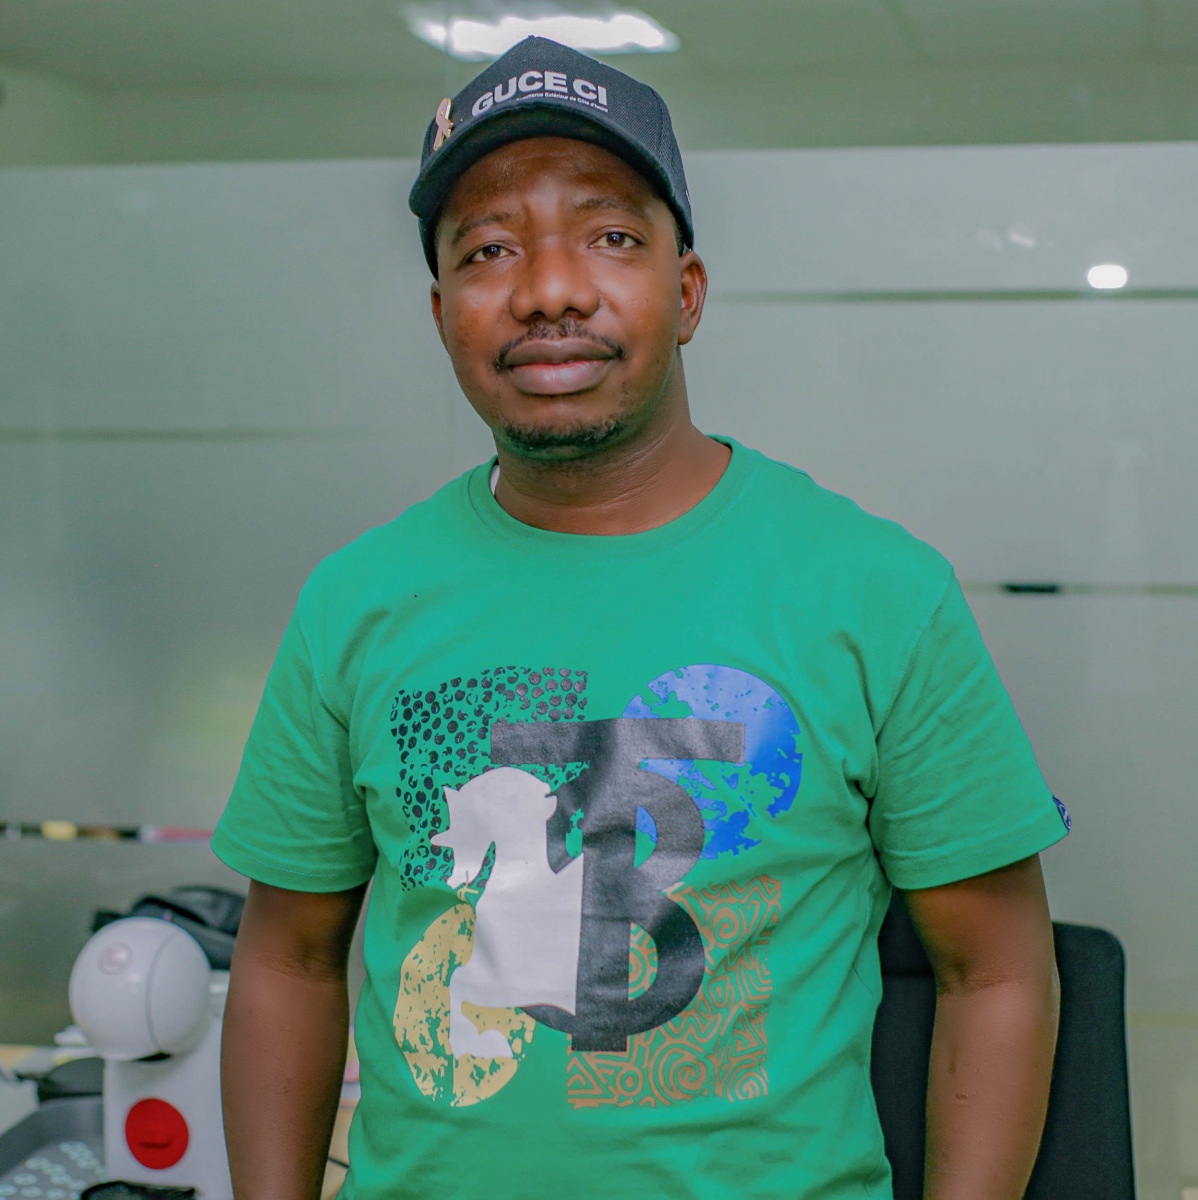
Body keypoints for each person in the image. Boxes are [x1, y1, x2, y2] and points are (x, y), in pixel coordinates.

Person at [214, 36, 1069, 1200]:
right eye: (489, 249)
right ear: (443, 312)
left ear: (688, 292)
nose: (548, 290)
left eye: (610, 237)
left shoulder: (875, 592)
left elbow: (999, 975)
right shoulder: (356, 602)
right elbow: (288, 961)